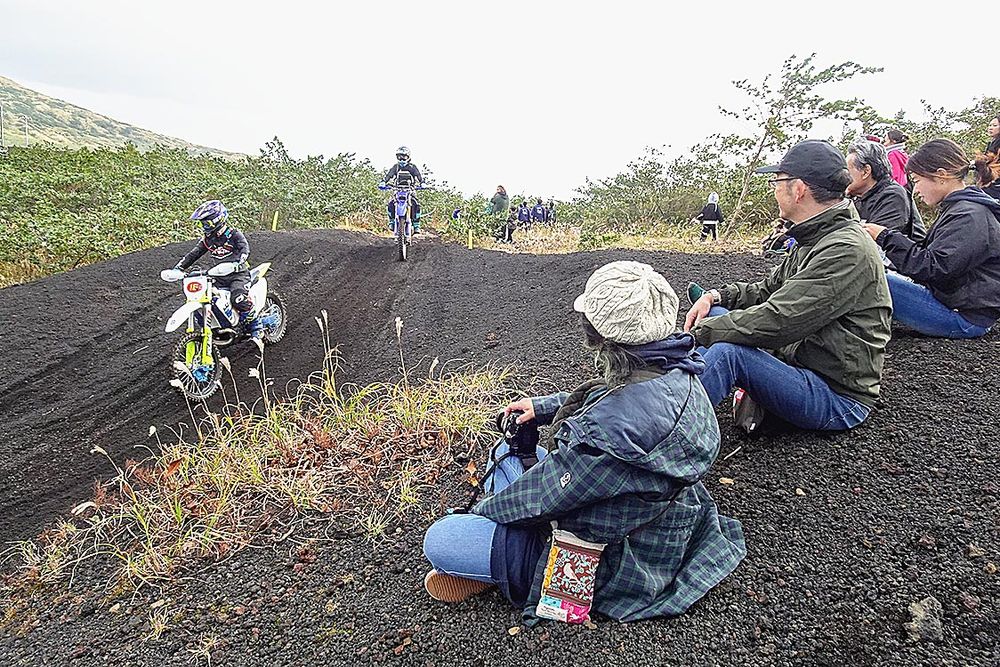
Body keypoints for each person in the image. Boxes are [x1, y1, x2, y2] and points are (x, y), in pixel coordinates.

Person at [421, 261, 746, 622]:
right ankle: (493, 561)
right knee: (507, 453)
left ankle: (502, 569)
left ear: (598, 333)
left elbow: (541, 497)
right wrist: (541, 407)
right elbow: (618, 400)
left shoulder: (603, 438)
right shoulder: (680, 372)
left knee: (442, 539)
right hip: (655, 522)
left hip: (611, 559)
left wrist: (479, 515)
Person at [684, 140, 891, 432]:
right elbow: (768, 290)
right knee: (716, 314)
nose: (774, 189)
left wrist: (694, 335)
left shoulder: (845, 249)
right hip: (801, 361)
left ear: (798, 189)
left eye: (777, 182)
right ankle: (669, 391)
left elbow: (779, 320)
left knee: (729, 352)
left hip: (836, 395)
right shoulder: (815, 235)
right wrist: (716, 295)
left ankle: (663, 436)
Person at [863, 139, 1000, 339]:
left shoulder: (969, 215)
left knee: (869, 278)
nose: (916, 190)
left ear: (941, 176)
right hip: (957, 305)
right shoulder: (962, 208)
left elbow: (935, 268)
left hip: (963, 318)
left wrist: (885, 237)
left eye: (917, 181)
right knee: (875, 270)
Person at [172, 200, 261, 338]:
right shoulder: (208, 239)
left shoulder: (233, 234)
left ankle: (256, 326)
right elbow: (194, 254)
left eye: (206, 223)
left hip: (238, 274)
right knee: (205, 298)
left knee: (238, 299)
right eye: (202, 223)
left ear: (217, 219)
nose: (204, 226)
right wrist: (179, 268)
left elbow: (245, 248)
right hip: (219, 276)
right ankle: (216, 328)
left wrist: (239, 261)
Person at [847, 139, 925, 241]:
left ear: (866, 171)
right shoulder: (858, 196)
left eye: (847, 171)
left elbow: (868, 242)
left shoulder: (892, 196)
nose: (843, 177)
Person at [381, 145, 423, 233]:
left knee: (416, 204)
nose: (401, 159)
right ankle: (391, 221)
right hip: (398, 189)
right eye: (399, 157)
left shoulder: (412, 167)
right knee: (391, 203)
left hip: (410, 190)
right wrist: (384, 182)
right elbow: (389, 175)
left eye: (404, 157)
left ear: (408, 157)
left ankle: (416, 225)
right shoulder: (395, 167)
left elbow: (418, 176)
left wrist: (422, 183)